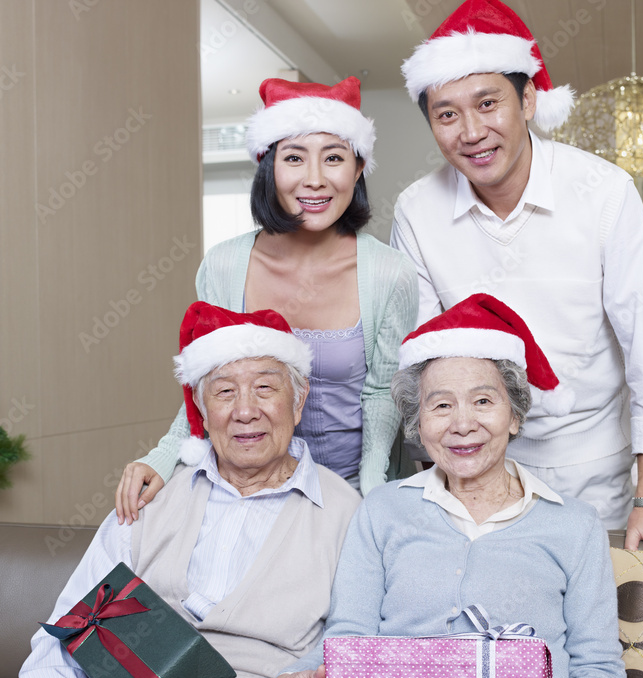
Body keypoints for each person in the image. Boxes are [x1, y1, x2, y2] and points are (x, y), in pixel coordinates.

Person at [0, 301, 364, 678]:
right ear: (200, 406)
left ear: (299, 400)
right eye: (224, 392)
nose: (245, 410)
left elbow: (351, 657)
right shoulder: (150, 499)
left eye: (264, 388)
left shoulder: (349, 514)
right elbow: (66, 627)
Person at [389, 0, 643, 553]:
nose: (472, 131)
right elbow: (422, 364)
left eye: (488, 104)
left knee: (588, 631)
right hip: (467, 474)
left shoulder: (604, 192)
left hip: (590, 472)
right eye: (447, 114)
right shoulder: (417, 209)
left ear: (528, 99)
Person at [270, 293, 626, 678]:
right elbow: (349, 639)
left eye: (483, 401)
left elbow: (599, 666)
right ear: (418, 425)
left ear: (514, 415)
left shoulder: (576, 526)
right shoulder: (381, 510)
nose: (462, 424)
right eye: (440, 406)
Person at [115, 76, 417, 518]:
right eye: (294, 158)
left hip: (349, 492)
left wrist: (371, 488)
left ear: (357, 168)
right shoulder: (223, 266)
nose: (314, 179)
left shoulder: (391, 274)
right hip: (245, 490)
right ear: (269, 167)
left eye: (333, 158)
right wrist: (163, 456)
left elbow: (382, 392)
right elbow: (205, 385)